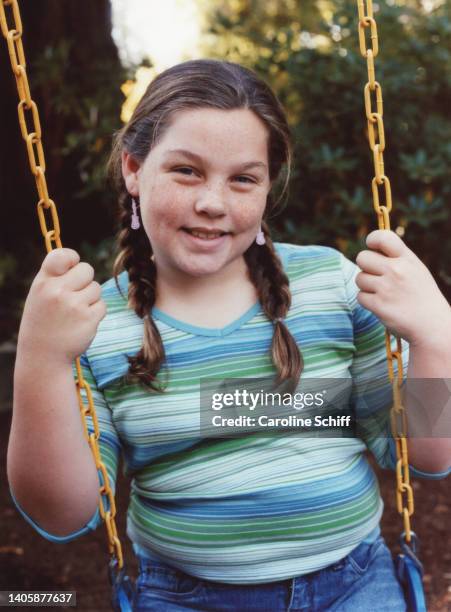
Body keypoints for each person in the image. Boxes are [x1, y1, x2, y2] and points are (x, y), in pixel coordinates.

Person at [7, 59, 451, 612]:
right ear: (133, 168)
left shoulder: (330, 286)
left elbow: (428, 455)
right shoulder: (94, 324)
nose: (212, 203)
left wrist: (437, 336)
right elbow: (61, 513)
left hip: (355, 587)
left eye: (243, 178)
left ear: (267, 188)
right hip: (184, 598)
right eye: (187, 171)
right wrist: (42, 360)